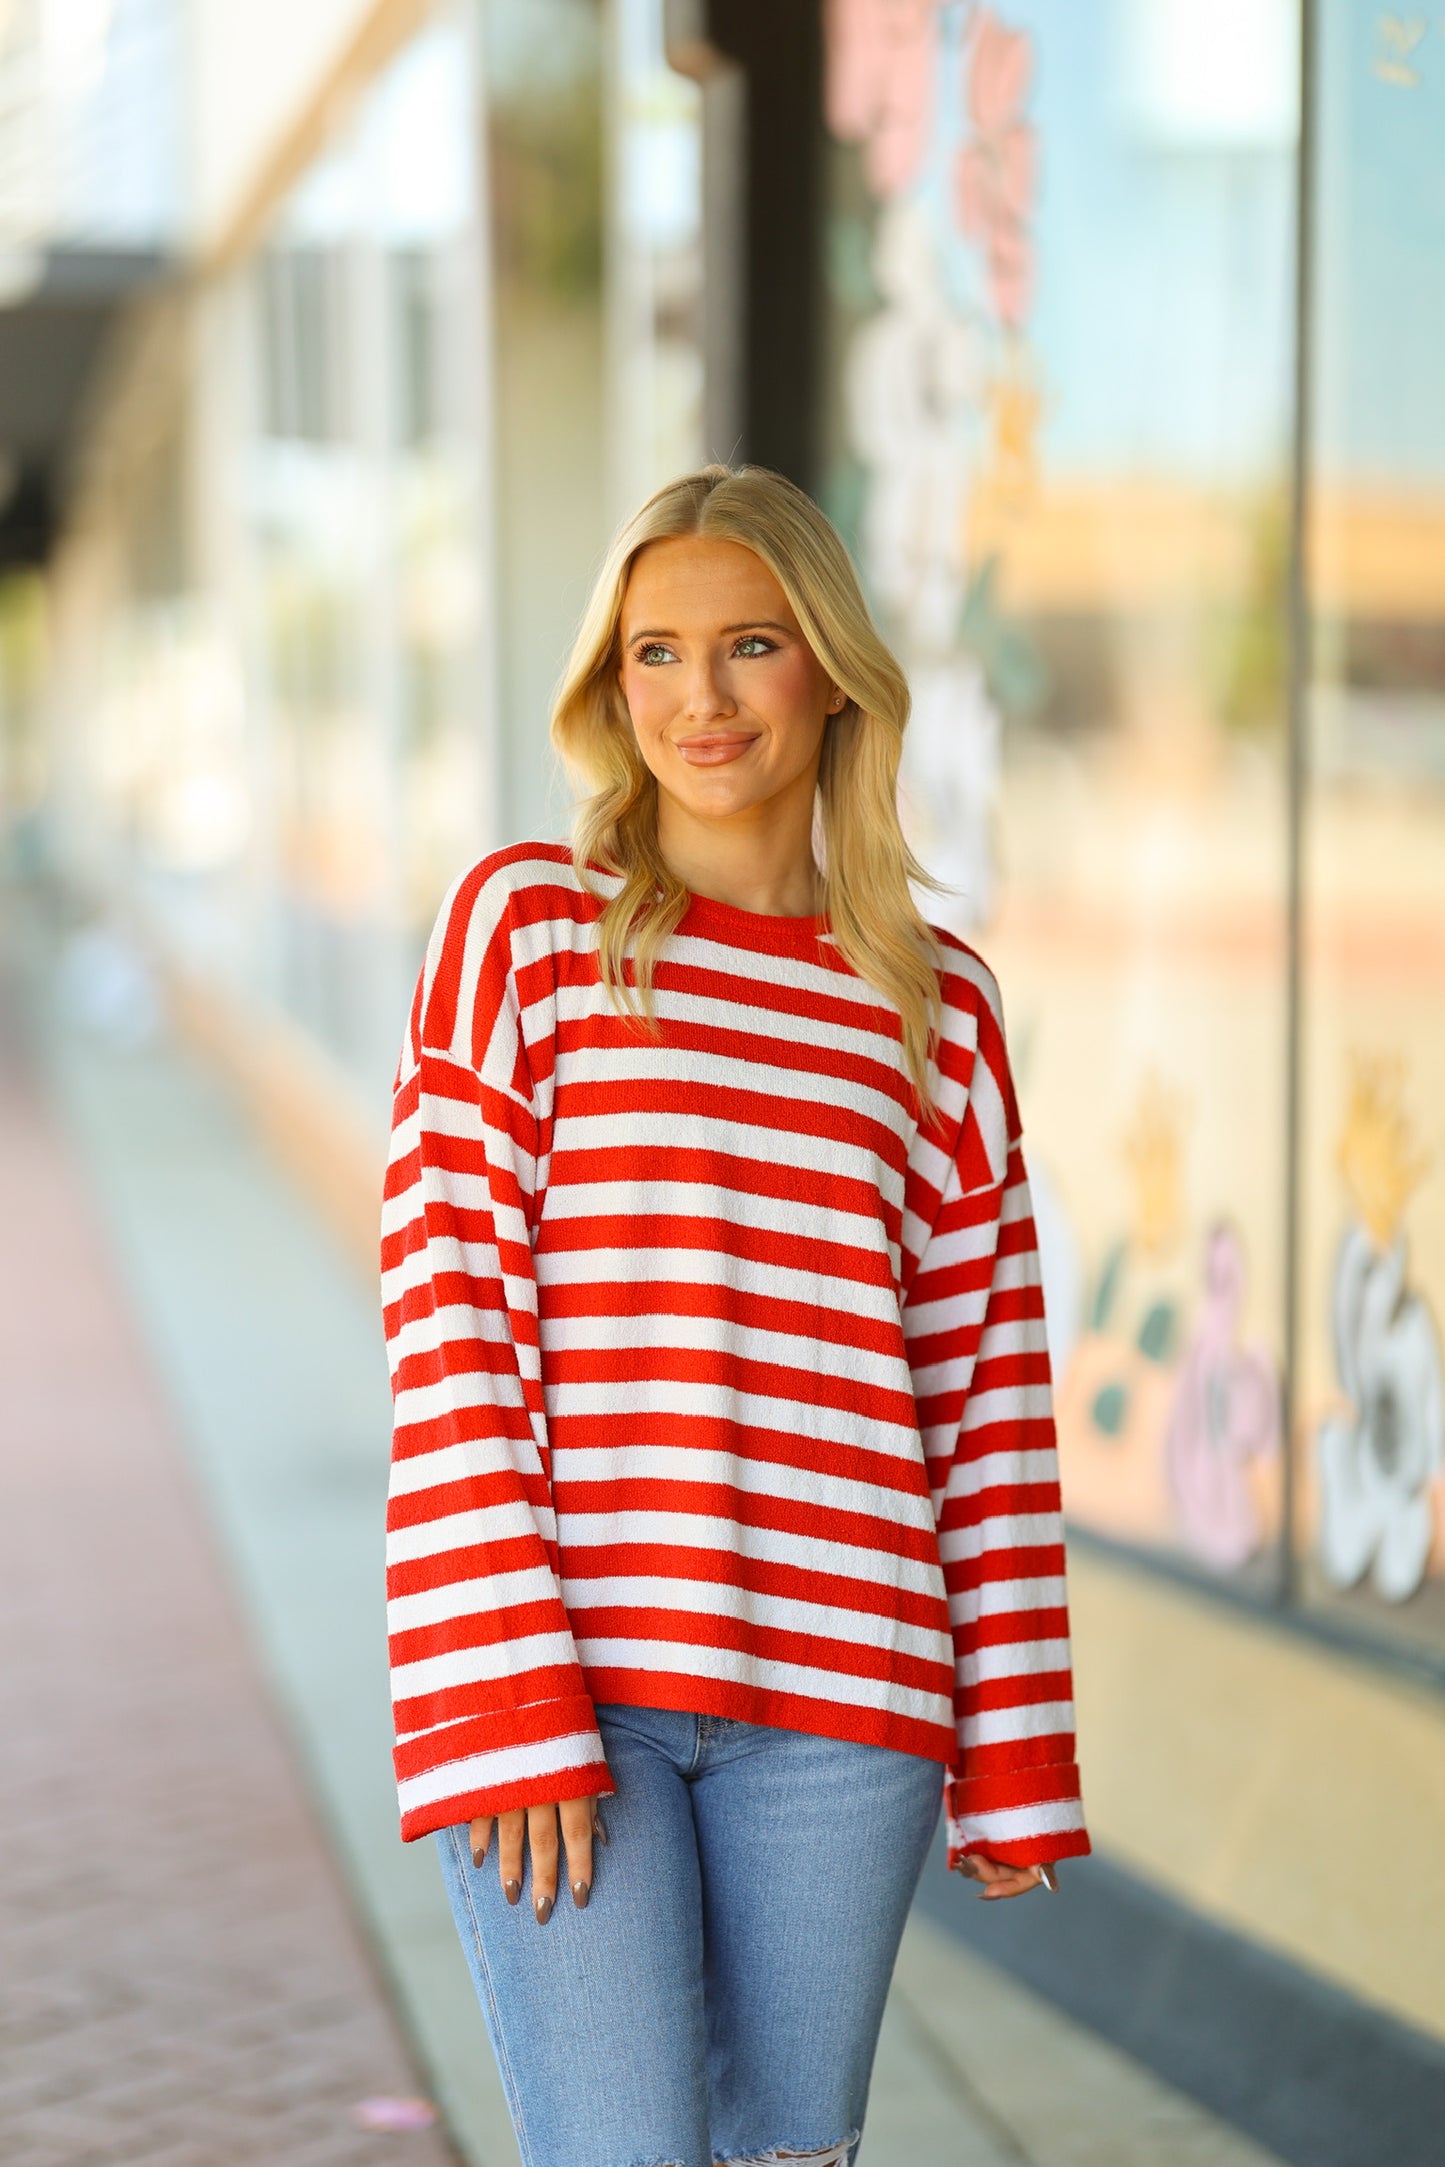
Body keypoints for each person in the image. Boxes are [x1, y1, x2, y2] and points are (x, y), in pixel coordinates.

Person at [380, 464, 1090, 2167]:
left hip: (846, 1710)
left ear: (829, 670)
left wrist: (1013, 1747)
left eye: (748, 646)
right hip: (575, 1689)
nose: (698, 698)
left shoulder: (940, 1010)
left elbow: (981, 1401)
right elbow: (450, 1327)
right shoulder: (527, 937)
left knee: (791, 2163)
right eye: (654, 654)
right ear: (609, 687)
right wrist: (499, 1694)